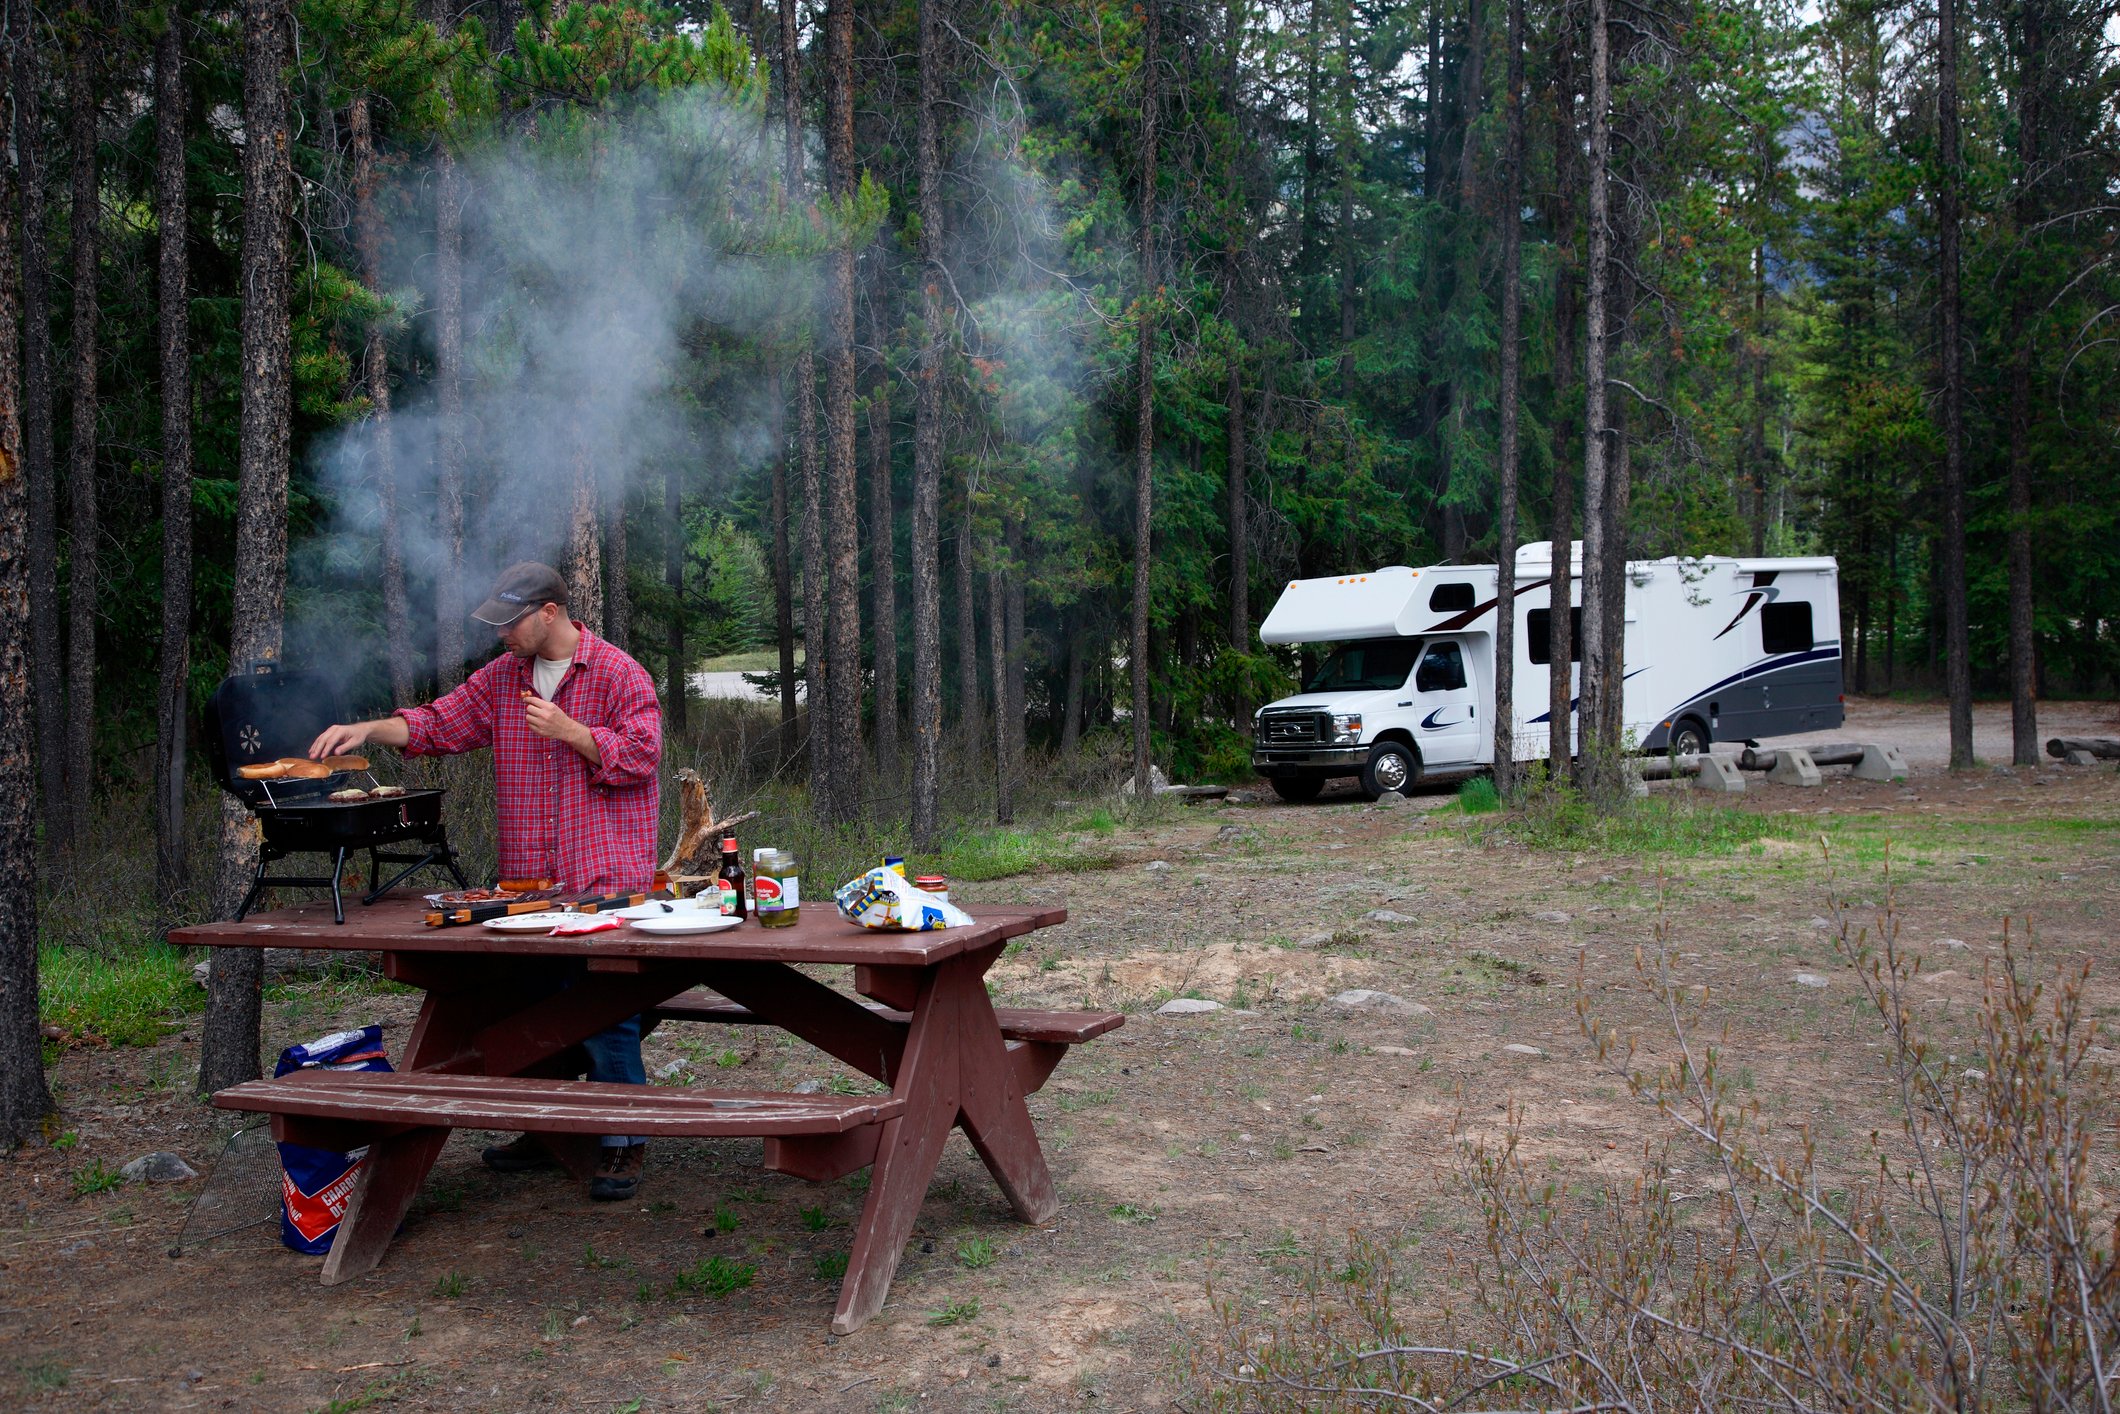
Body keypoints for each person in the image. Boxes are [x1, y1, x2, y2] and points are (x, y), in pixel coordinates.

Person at [308, 562, 664, 1201]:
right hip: (529, 883)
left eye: (511, 621)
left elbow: (643, 756)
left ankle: (622, 1138)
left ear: (549, 613)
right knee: (532, 1005)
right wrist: (368, 729)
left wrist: (572, 732)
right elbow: (434, 724)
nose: (501, 635)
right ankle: (547, 1126)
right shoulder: (502, 681)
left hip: (602, 879)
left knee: (603, 1009)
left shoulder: (617, 672)